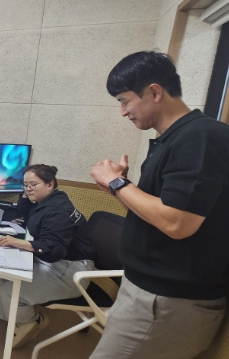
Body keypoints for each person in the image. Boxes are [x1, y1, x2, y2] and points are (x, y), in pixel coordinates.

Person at [89, 51, 229, 359]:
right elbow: (157, 213)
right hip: (150, 293)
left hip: (166, 300)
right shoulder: (174, 139)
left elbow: (177, 224)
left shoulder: (200, 137)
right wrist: (118, 188)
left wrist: (118, 183)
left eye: (125, 101)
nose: (123, 112)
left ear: (154, 92)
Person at [0, 164, 96, 349]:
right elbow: (26, 214)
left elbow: (54, 250)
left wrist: (19, 243)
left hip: (71, 271)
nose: (28, 189)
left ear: (50, 184)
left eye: (33, 184)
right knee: (0, 271)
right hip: (60, 260)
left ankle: (32, 320)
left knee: (9, 291)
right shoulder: (50, 201)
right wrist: (27, 194)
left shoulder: (58, 211)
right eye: (25, 185)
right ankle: (14, 319)